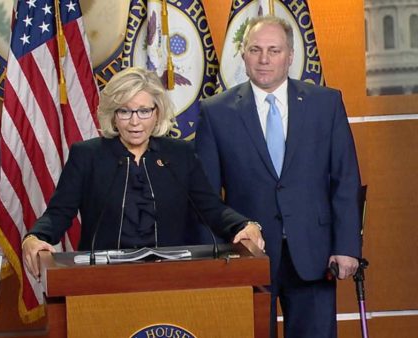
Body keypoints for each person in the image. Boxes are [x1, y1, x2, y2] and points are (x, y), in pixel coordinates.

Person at [195, 16, 362, 338]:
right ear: (242, 55)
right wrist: (213, 261)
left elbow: (345, 179)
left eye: (274, 50)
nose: (264, 59)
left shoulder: (325, 104)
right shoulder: (215, 111)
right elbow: (206, 197)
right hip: (246, 256)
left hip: (315, 253)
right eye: (255, 50)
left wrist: (347, 246)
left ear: (290, 55)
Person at [22, 67, 264, 278]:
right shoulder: (88, 156)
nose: (135, 121)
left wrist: (244, 225)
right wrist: (35, 237)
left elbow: (211, 208)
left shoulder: (179, 155)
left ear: (157, 113)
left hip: (171, 275)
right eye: (125, 111)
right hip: (102, 278)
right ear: (113, 116)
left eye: (144, 111)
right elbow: (59, 213)